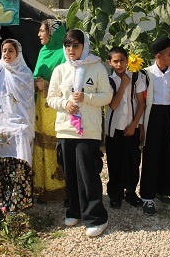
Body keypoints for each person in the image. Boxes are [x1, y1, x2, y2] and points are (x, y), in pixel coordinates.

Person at [47, 29, 112, 237]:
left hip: (88, 131)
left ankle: (96, 217)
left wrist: (86, 98)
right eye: (68, 46)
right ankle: (74, 210)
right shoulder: (60, 70)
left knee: (88, 174)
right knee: (70, 174)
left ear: (84, 46)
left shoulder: (97, 67)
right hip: (66, 130)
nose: (71, 50)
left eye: (76, 45)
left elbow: (107, 96)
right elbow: (51, 98)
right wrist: (65, 104)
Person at [0, 39, 35, 212]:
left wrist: (22, 124)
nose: (6, 54)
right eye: (4, 50)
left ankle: (18, 199)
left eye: (11, 50)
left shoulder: (25, 74)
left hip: (19, 122)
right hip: (0, 121)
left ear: (18, 53)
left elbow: (27, 104)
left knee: (21, 138)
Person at [140, 36, 170, 216]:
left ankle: (162, 190)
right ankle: (147, 197)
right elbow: (141, 104)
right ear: (158, 56)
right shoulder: (146, 74)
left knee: (168, 154)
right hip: (152, 117)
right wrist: (141, 126)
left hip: (169, 116)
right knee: (151, 156)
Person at [105, 46, 145, 209]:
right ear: (110, 63)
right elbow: (113, 105)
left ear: (127, 61)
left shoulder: (136, 78)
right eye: (115, 61)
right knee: (115, 162)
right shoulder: (108, 80)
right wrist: (123, 85)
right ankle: (115, 193)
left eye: (122, 60)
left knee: (133, 161)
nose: (119, 64)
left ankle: (131, 192)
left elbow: (141, 103)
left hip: (131, 127)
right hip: (114, 129)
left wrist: (135, 125)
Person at [32, 19, 67, 203]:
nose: (39, 34)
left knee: (54, 147)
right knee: (40, 146)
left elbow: (68, 85)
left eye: (42, 31)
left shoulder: (64, 55)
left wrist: (45, 85)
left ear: (52, 33)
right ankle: (42, 188)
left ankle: (59, 189)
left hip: (54, 108)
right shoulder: (43, 51)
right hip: (40, 107)